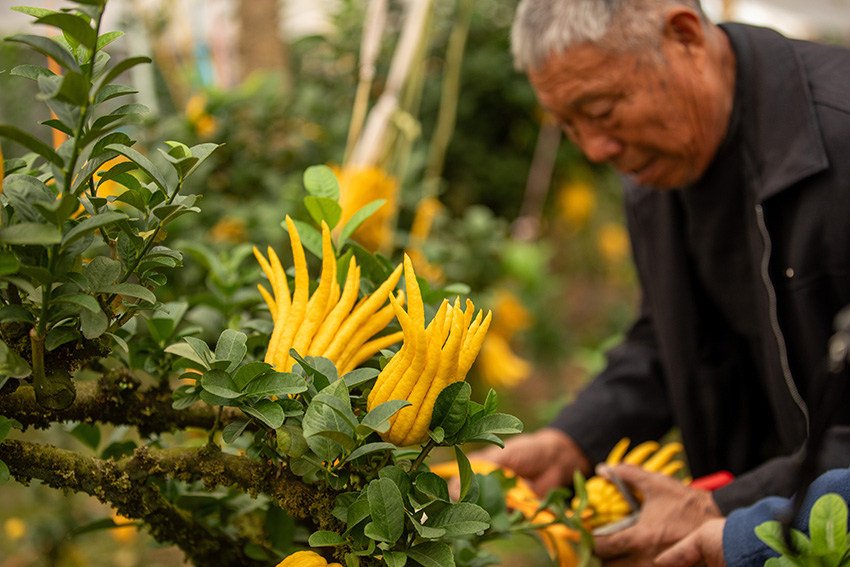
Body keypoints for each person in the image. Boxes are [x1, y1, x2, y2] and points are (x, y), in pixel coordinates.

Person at [479, 0, 850, 564]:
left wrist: (727, 509)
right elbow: (666, 336)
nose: (595, 149)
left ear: (683, 37)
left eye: (601, 110)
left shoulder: (840, 135)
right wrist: (572, 440)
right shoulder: (656, 172)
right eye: (568, 126)